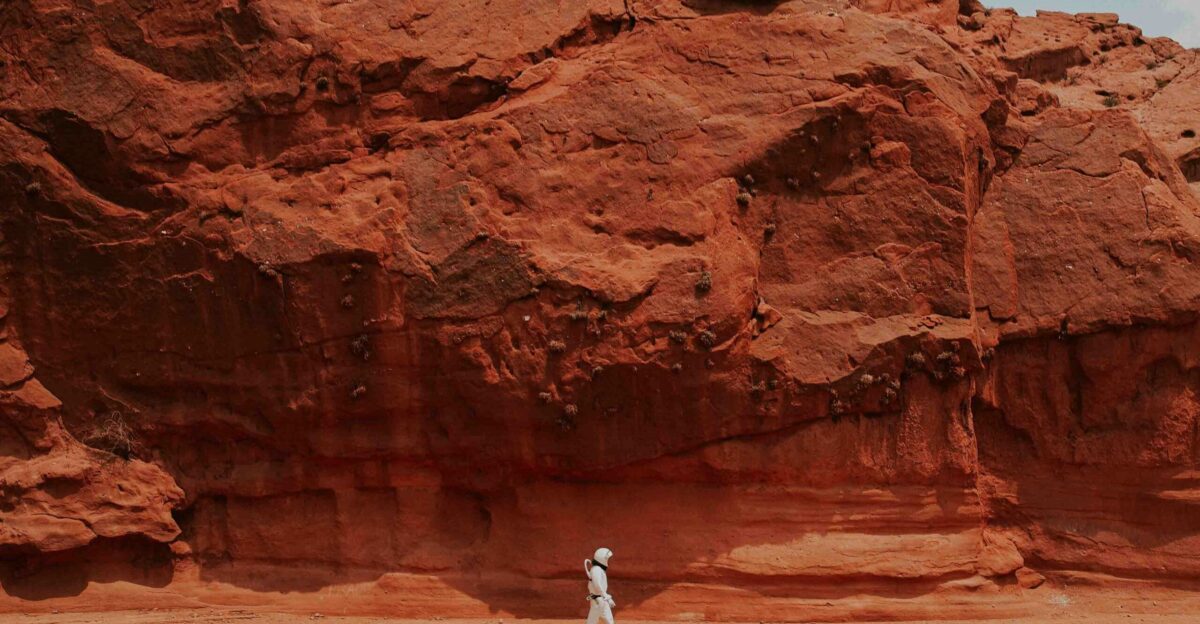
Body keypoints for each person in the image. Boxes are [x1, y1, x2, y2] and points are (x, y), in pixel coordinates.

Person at [584, 547, 615, 624]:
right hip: (598, 600)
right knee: (592, 620)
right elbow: (597, 585)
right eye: (607, 558)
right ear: (602, 558)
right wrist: (606, 596)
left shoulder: (599, 570)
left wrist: (606, 598)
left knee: (609, 619)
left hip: (601, 599)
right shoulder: (596, 570)